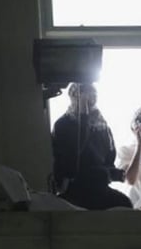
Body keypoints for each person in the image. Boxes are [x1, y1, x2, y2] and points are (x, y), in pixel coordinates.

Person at [50, 82, 133, 210]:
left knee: (126, 205)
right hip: (75, 189)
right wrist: (83, 117)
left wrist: (116, 173)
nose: (90, 100)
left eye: (93, 96)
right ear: (74, 97)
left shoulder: (102, 127)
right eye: (85, 96)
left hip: (99, 187)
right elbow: (70, 163)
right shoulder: (63, 125)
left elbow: (107, 163)